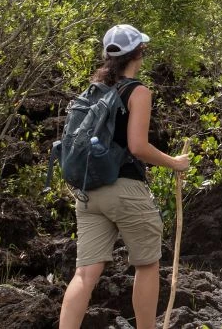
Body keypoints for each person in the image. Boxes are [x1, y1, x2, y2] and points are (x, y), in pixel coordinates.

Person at [59, 24, 191, 329]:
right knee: (147, 265)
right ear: (140, 52)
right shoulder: (138, 91)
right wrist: (175, 163)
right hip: (125, 189)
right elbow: (137, 146)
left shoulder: (92, 91)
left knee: (84, 274)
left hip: (88, 193)